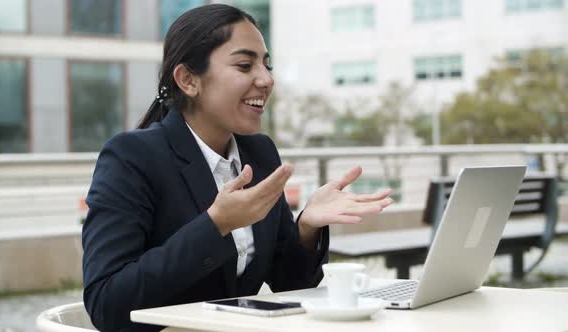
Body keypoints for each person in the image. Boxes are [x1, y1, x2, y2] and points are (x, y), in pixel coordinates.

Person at [81, 4, 393, 331]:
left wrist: (306, 228)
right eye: (245, 65)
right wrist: (215, 225)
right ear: (188, 79)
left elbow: (291, 284)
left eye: (266, 64)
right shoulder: (132, 157)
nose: (267, 79)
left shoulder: (258, 153)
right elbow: (107, 305)